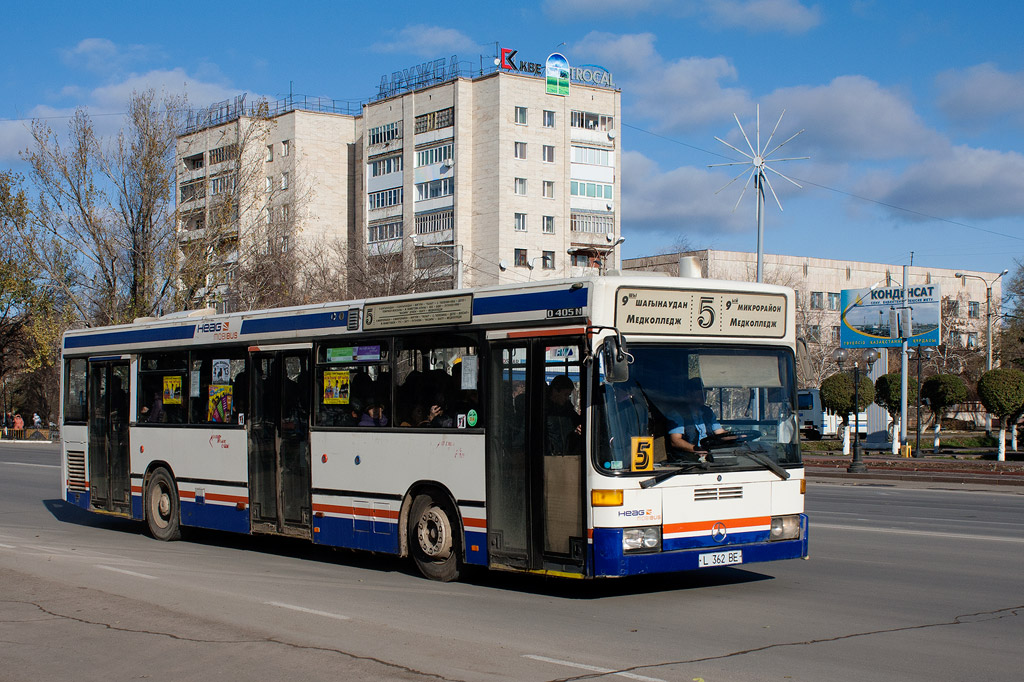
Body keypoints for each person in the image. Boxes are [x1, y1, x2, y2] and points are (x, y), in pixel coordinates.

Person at [665, 378, 732, 462]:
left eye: (705, 392)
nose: (704, 395)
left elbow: (720, 433)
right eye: (700, 392)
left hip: (710, 457)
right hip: (686, 461)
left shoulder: (708, 412)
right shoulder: (677, 413)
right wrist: (696, 449)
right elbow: (675, 441)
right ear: (689, 394)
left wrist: (735, 436)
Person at [545, 375, 582, 456]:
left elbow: (577, 420)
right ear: (555, 391)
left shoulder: (567, 408)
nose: (567, 398)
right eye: (565, 395)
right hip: (549, 455)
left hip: (567, 454)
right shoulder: (543, 410)